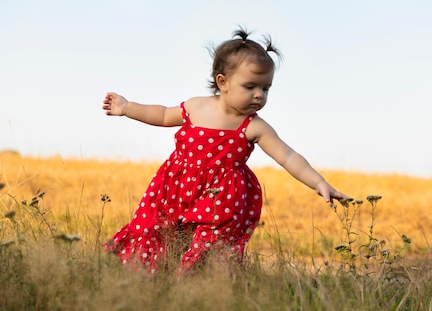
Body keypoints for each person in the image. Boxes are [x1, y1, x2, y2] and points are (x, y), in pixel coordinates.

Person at [102, 28, 348, 274]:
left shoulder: (254, 126)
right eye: (250, 86)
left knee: (209, 245)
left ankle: (198, 288)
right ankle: (147, 278)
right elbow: (163, 114)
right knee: (156, 230)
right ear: (223, 82)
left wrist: (319, 182)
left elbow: (288, 156)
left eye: (266, 89)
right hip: (174, 187)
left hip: (222, 198)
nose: (259, 95)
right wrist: (127, 107)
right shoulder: (196, 107)